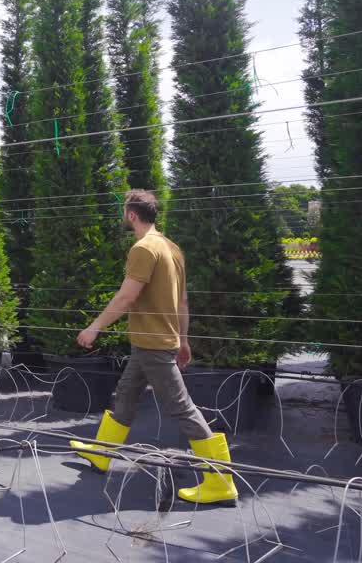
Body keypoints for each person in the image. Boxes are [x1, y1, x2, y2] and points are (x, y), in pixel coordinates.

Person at [68, 189, 238, 506]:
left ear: (131, 214)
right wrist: (183, 340)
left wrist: (94, 327)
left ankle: (220, 480)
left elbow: (126, 296)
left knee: (183, 409)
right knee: (126, 395)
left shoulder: (143, 249)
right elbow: (182, 301)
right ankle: (101, 453)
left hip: (153, 345)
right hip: (153, 343)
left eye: (124, 212)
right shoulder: (171, 248)